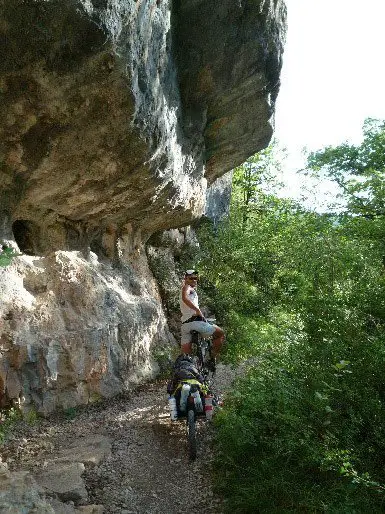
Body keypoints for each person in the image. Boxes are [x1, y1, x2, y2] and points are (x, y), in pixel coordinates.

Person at [180, 269, 225, 361]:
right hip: (196, 322)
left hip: (185, 325)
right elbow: (185, 298)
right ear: (185, 278)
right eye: (191, 278)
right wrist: (197, 310)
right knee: (220, 333)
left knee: (185, 357)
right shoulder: (187, 288)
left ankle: (188, 368)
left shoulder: (187, 290)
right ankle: (213, 356)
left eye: (196, 278)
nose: (194, 280)